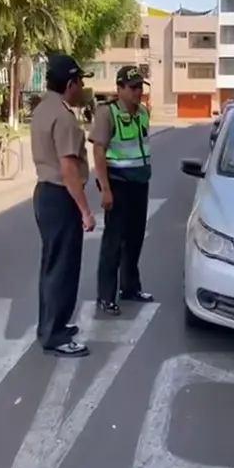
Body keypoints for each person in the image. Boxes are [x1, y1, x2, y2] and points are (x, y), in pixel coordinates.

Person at [30, 53, 95, 357]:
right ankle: (55, 335)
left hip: (44, 193)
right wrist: (84, 211)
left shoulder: (43, 109)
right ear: (70, 83)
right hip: (61, 196)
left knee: (50, 265)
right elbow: (69, 168)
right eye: (80, 81)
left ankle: (49, 326)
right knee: (63, 269)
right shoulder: (65, 118)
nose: (82, 86)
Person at [90, 65, 155, 315]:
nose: (138, 91)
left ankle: (130, 287)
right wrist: (105, 188)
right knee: (113, 242)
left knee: (135, 238)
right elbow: (98, 151)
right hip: (118, 185)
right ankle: (105, 296)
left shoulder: (143, 113)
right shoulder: (108, 113)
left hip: (140, 183)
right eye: (133, 87)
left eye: (140, 87)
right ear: (120, 89)